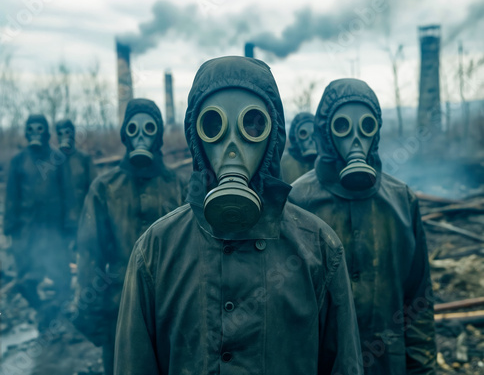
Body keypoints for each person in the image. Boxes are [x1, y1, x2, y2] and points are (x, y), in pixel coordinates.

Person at [114, 56, 363, 375]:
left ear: (273, 138)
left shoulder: (319, 249)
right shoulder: (155, 252)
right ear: (197, 139)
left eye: (253, 124)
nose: (232, 147)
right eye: (214, 126)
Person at [289, 78, 436, 374]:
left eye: (366, 126)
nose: (356, 140)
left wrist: (422, 369)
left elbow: (417, 300)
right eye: (342, 126)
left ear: (376, 132)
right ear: (325, 132)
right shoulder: (295, 203)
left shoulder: (401, 203)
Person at [73, 98, 184, 375]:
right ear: (125, 135)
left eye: (149, 128)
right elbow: (89, 254)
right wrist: (91, 315)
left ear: (158, 134)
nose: (141, 137)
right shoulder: (104, 188)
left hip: (169, 313)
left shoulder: (177, 187)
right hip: (118, 312)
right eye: (134, 129)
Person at [4, 114, 71, 332]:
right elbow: (11, 196)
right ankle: (43, 310)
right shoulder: (18, 161)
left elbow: (66, 193)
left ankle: (52, 313)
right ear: (26, 132)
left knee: (63, 279)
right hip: (27, 230)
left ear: (46, 132)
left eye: (39, 129)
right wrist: (10, 226)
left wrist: (69, 226)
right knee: (25, 279)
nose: (35, 133)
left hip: (53, 229)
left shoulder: (58, 158)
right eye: (31, 129)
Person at [55, 118, 96, 255]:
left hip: (80, 218)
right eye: (60, 133)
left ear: (73, 134)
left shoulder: (83, 159)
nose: (64, 136)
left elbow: (94, 189)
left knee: (83, 256)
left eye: (67, 132)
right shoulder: (53, 161)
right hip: (60, 221)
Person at [280, 112, 318, 183]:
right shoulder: (283, 165)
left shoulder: (325, 163)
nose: (310, 140)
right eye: (303, 134)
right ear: (295, 136)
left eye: (314, 134)